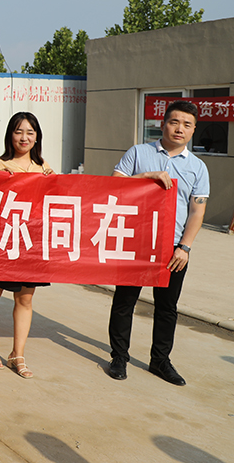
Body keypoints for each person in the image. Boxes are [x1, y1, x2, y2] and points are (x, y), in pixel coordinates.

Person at [106, 100, 209, 386]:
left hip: (173, 247)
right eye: (174, 122)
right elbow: (114, 187)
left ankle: (160, 361)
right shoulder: (138, 153)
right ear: (162, 124)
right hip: (136, 242)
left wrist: (185, 247)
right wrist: (147, 177)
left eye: (187, 124)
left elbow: (197, 211)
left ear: (194, 130)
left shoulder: (198, 167)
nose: (179, 129)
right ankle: (119, 357)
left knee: (167, 307)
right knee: (124, 301)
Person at [0, 111, 55, 379]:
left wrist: (52, 181)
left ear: (37, 137)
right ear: (10, 135)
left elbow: (53, 204)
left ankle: (17, 354)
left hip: (32, 241)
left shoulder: (43, 168)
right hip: (5, 238)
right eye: (19, 131)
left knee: (25, 297)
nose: (24, 137)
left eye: (30, 132)